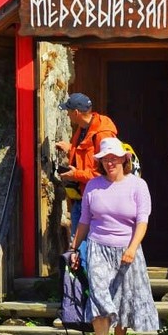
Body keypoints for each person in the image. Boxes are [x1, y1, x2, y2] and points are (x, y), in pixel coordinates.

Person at [69, 136, 160, 335]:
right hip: (98, 246)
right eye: (105, 159)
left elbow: (142, 221)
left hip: (126, 250)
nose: (110, 163)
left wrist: (132, 248)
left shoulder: (138, 186)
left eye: (114, 158)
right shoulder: (93, 186)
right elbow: (84, 221)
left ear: (123, 159)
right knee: (99, 297)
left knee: (122, 301)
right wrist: (75, 248)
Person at [55, 93, 117, 271]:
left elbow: (106, 173)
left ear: (76, 112)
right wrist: (70, 149)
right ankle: (81, 290)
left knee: (88, 250)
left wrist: (76, 175)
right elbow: (86, 158)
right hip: (81, 198)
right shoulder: (83, 129)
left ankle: (88, 291)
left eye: (68, 111)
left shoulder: (103, 134)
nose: (67, 114)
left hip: (95, 200)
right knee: (79, 249)